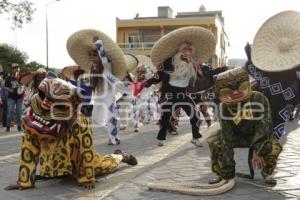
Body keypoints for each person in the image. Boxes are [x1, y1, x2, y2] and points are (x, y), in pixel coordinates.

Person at [4, 73, 137, 190]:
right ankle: (63, 170)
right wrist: (25, 181)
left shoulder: (79, 121)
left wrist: (87, 177)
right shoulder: (33, 117)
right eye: (42, 95)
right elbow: (29, 150)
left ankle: (120, 156)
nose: (44, 105)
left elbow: (86, 151)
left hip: (81, 161)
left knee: (102, 166)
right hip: (57, 162)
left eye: (57, 103)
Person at [207, 67, 282, 184]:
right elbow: (227, 136)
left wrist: (258, 151)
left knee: (274, 145)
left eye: (239, 87)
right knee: (214, 140)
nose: (236, 92)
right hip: (238, 136)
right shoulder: (224, 107)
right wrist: (228, 173)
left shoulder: (259, 99)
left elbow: (264, 125)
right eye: (229, 91)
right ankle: (222, 174)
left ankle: (267, 172)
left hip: (257, 135)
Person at [145, 26, 216, 147]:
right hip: (170, 92)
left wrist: (219, 73)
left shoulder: (194, 64)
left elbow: (206, 72)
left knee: (195, 115)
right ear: (179, 50)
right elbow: (159, 75)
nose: (187, 52)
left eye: (189, 50)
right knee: (166, 116)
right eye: (184, 49)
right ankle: (161, 138)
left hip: (183, 93)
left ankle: (195, 137)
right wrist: (147, 82)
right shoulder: (169, 61)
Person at [67, 29, 136, 145]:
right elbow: (89, 83)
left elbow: (103, 55)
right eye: (90, 55)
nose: (91, 57)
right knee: (96, 119)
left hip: (108, 94)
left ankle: (114, 138)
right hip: (98, 95)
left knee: (110, 116)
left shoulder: (106, 65)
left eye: (94, 54)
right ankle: (112, 132)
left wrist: (98, 43)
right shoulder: (92, 69)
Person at [244, 10, 300, 139]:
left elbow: (251, 68)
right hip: (275, 109)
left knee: (265, 137)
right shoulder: (291, 74)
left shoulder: (265, 71)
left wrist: (250, 59)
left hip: (271, 109)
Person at [5, 63, 24, 132]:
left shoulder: (21, 77)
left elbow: (24, 84)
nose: (16, 69)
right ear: (11, 69)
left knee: (19, 112)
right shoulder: (8, 77)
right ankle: (8, 126)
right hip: (11, 97)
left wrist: (22, 86)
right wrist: (10, 90)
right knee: (10, 111)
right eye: (14, 68)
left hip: (19, 97)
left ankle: (19, 126)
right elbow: (5, 87)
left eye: (17, 68)